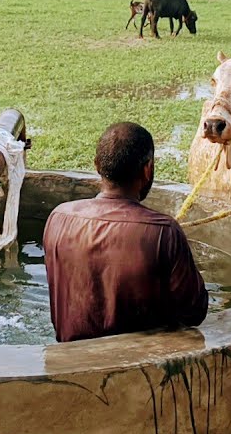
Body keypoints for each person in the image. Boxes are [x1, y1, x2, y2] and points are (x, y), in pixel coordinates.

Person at [43, 122, 208, 342]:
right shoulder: (163, 232)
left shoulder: (58, 218)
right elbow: (194, 312)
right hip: (138, 371)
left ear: (97, 165)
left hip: (67, 366)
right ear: (147, 170)